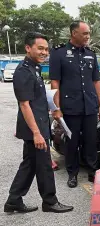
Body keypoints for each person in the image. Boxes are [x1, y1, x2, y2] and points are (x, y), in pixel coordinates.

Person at [4, 32, 73, 214]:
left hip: (39, 122)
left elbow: (36, 99)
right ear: (28, 48)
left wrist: (54, 108)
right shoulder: (23, 72)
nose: (44, 52)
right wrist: (36, 133)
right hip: (34, 127)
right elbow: (25, 105)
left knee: (30, 164)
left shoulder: (34, 68)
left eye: (46, 49)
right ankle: (50, 201)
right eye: (40, 48)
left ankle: (13, 200)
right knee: (43, 165)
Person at [49, 20, 100, 188]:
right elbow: (55, 83)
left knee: (90, 141)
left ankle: (92, 171)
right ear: (74, 33)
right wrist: (56, 108)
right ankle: (72, 174)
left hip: (89, 107)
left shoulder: (91, 53)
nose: (88, 36)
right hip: (70, 108)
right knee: (72, 142)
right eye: (85, 33)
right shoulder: (59, 53)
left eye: (88, 33)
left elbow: (96, 81)